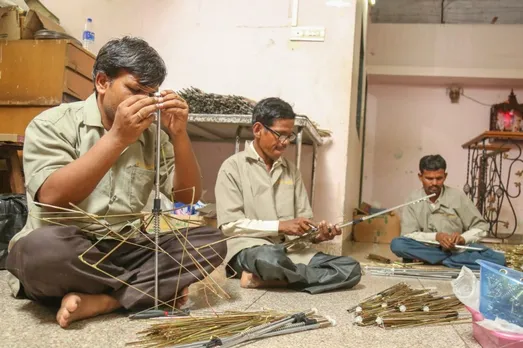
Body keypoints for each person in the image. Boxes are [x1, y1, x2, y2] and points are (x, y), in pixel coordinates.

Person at [6, 37, 227, 328]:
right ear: (101, 82)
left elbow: (187, 201)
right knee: (39, 251)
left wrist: (180, 136)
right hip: (69, 246)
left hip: (125, 247)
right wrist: (118, 138)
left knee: (211, 242)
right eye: (135, 90)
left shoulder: (154, 136)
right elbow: (51, 196)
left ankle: (106, 300)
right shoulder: (52, 124)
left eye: (151, 94)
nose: (145, 101)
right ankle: (143, 292)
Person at [215, 97, 361, 294]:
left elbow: (304, 224)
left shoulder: (292, 171)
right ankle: (289, 276)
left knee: (351, 269)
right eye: (280, 135)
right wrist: (280, 226)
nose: (285, 143)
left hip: (290, 251)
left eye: (289, 136)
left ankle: (273, 280)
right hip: (250, 248)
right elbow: (230, 226)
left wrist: (318, 235)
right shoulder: (232, 167)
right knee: (268, 259)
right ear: (258, 129)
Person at [390, 155, 505, 269]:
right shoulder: (413, 199)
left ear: (445, 176)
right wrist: (436, 237)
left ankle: (433, 259)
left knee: (499, 259)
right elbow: (408, 235)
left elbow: (482, 228)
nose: (434, 183)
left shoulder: (457, 196)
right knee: (397, 244)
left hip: (456, 249)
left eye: (439, 178)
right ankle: (451, 261)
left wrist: (462, 238)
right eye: (429, 178)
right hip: (427, 247)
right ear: (420, 177)